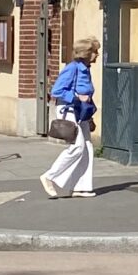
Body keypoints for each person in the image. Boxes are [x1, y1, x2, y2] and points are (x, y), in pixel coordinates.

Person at [40, 37, 100, 199]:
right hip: (69, 109)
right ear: (86, 53)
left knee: (87, 148)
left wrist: (90, 114)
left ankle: (81, 187)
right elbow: (56, 91)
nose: (97, 54)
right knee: (78, 146)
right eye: (94, 51)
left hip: (81, 111)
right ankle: (50, 176)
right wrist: (75, 97)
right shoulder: (72, 68)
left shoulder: (85, 69)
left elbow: (86, 94)